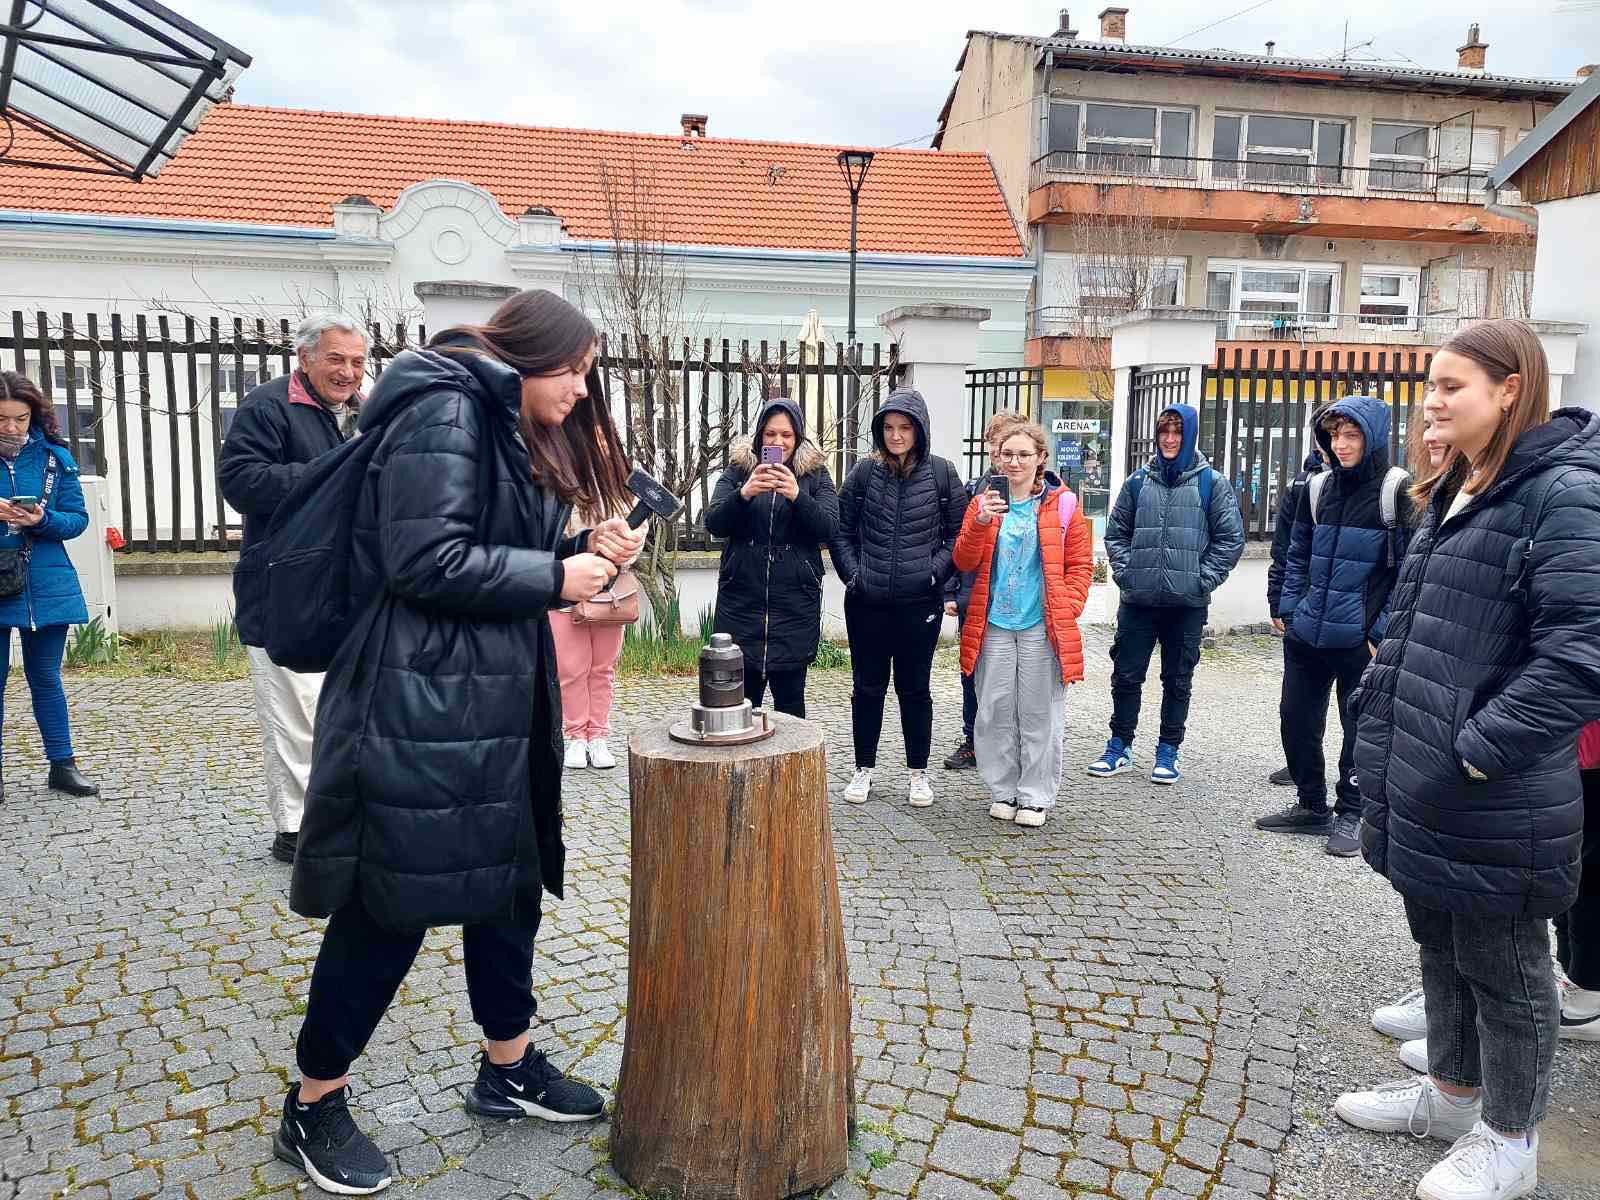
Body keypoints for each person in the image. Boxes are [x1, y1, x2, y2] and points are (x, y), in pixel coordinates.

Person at [277, 290, 644, 1196]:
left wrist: (582, 544)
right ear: (531, 354)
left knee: (509, 885)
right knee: (390, 903)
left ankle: (506, 1067)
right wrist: (557, 574)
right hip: (418, 697)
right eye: (576, 370)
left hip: (492, 694)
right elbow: (424, 560)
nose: (582, 389)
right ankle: (313, 1103)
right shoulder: (445, 408)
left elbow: (491, 543)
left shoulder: (500, 417)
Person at [1337, 320, 1600, 1200]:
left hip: (1493, 788)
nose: (1433, 403)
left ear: (1510, 389)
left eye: (1452, 386)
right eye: (1431, 387)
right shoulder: (1463, 482)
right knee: (1443, 943)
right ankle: (1453, 1098)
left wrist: (1479, 752)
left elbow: (1582, 656)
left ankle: (1511, 1142)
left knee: (1507, 968)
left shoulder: (1562, 493)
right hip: (1427, 775)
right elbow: (1419, 623)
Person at [220, 314, 368, 864]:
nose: (348, 371)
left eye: (357, 361)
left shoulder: (361, 411)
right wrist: (330, 476)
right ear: (304, 358)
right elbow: (240, 482)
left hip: (345, 584)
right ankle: (296, 829)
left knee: (341, 709)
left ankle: (337, 818)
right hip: (283, 586)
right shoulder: (267, 405)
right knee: (293, 711)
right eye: (336, 358)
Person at [1257, 399, 1413, 857]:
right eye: (1334, 436)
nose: (1340, 445)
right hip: (1308, 634)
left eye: (1351, 435)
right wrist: (1290, 609)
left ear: (1373, 437)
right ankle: (1311, 804)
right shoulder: (1318, 487)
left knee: (1358, 729)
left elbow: (1410, 571)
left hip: (1359, 640)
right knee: (1295, 720)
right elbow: (1296, 551)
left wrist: (1380, 634)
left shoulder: (1397, 491)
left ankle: (1352, 812)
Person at [1090, 404, 1244, 785]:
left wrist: (1201, 579)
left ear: (1189, 436)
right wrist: (1128, 574)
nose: (1170, 440)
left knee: (1177, 680)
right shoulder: (1138, 482)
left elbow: (1230, 540)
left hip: (1186, 605)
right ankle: (1119, 745)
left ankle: (1168, 751)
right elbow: (1116, 533)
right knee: (1126, 676)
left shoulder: (1211, 484)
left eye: (1177, 432)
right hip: (1138, 602)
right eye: (1164, 432)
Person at [830, 388, 967, 808]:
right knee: (867, 688)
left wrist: (933, 574)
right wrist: (854, 576)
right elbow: (840, 530)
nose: (896, 435)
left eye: (904, 427)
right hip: (867, 602)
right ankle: (863, 768)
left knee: (915, 689)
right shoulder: (863, 473)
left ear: (919, 430)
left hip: (918, 603)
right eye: (888, 427)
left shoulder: (942, 473)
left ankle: (918, 773)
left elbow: (959, 535)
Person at [952, 421, 1093, 827]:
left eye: (1024, 455)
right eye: (1007, 454)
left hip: (1039, 624)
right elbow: (963, 560)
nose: (1014, 462)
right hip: (994, 622)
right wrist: (980, 522)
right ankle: (1003, 789)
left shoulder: (1064, 504)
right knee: (994, 710)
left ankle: (1035, 796)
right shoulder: (983, 502)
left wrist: (1068, 605)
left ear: (1040, 458)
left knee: (1039, 712)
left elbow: (1080, 564)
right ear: (997, 458)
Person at [704, 396, 839, 717]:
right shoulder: (739, 470)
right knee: (738, 708)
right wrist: (744, 494)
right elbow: (714, 523)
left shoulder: (815, 474)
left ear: (798, 437)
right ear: (759, 436)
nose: (778, 442)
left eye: (786, 435)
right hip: (741, 605)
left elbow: (830, 527)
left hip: (794, 607)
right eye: (770, 434)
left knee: (791, 709)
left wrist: (797, 495)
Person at [0, 370, 96, 802]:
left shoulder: (55, 457)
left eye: (20, 418)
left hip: (47, 579)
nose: (11, 428)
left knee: (46, 677)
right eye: (2, 419)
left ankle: (63, 765)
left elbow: (77, 519)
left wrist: (42, 519)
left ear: (33, 415)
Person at [942, 409, 1028, 772]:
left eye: (1005, 443)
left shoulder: (1036, 491)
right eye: (994, 443)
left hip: (1019, 601)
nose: (998, 451)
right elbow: (956, 541)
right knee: (972, 672)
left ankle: (1013, 743)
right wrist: (950, 592)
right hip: (975, 597)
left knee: (1017, 678)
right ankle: (973, 740)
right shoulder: (976, 489)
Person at [550, 493, 632, 770]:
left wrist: (620, 547)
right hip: (565, 585)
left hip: (609, 591)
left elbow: (636, 530)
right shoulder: (560, 480)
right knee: (571, 670)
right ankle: (576, 736)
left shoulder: (621, 484)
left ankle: (598, 736)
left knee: (602, 668)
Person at [1264, 439, 1325, 787]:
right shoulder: (1303, 484)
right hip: (1304, 606)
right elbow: (1284, 545)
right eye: (1327, 433)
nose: (1336, 442)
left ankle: (1355, 786)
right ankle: (1301, 765)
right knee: (1299, 704)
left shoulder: (1382, 486)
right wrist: (1279, 599)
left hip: (1355, 615)